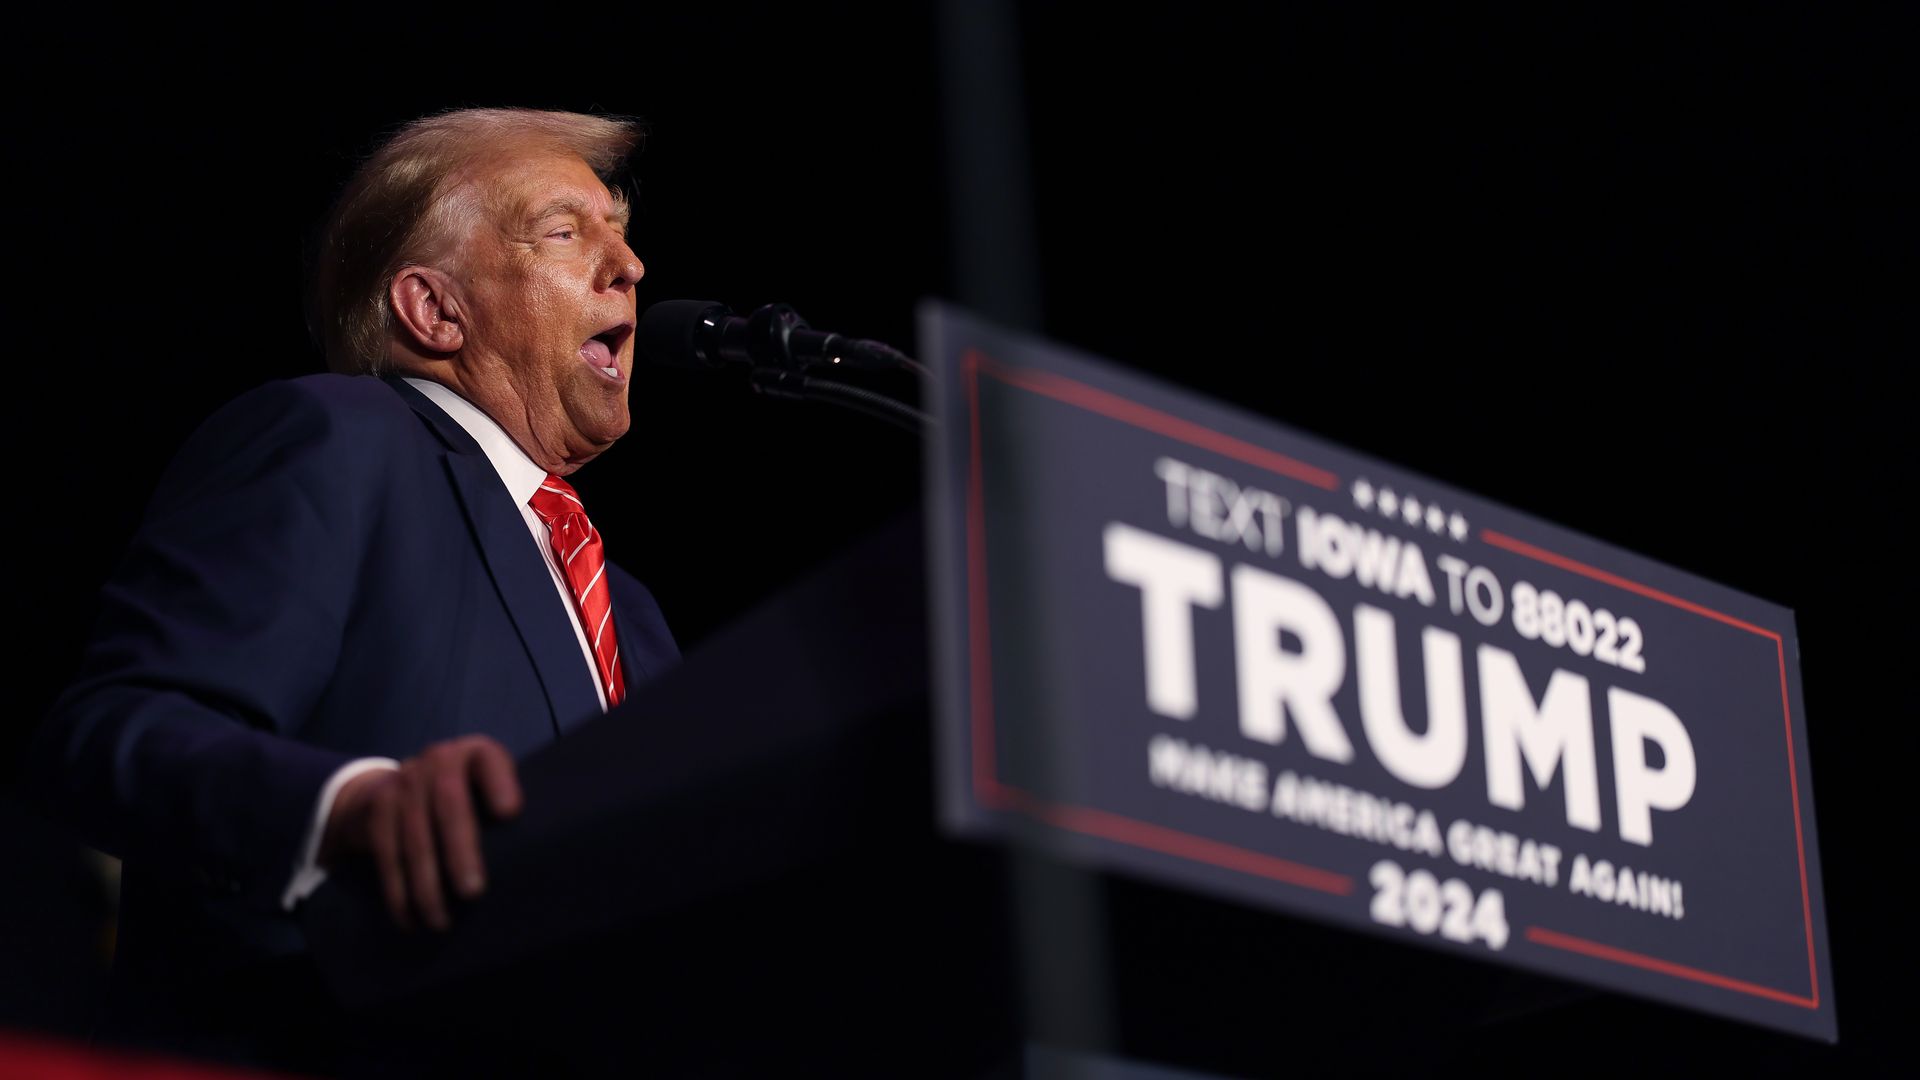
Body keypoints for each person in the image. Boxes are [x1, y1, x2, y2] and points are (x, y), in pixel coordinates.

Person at [31, 108, 680, 1070]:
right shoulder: (342, 438)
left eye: (623, 233)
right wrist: (344, 810)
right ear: (435, 310)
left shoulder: (632, 613)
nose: (628, 266)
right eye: (565, 230)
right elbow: (112, 734)